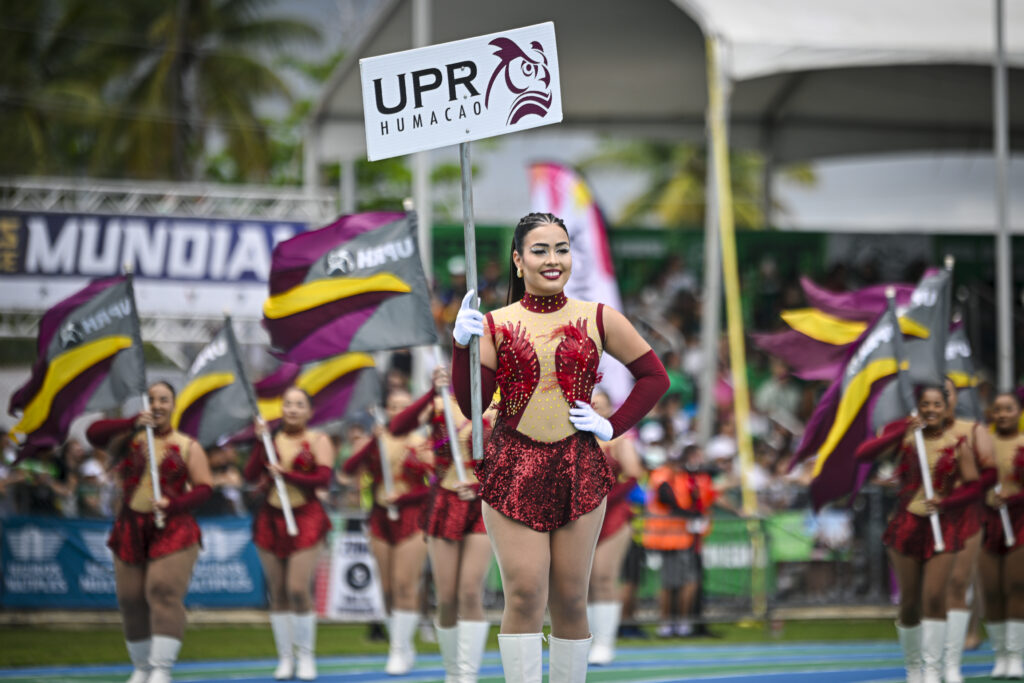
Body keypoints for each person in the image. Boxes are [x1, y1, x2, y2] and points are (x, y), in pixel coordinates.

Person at [452, 212, 669, 682]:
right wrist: (461, 347)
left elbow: (655, 377)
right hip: (512, 467)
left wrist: (612, 426)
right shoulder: (494, 323)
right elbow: (471, 408)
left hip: (579, 466)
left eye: (562, 249)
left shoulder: (597, 317)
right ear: (517, 260)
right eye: (540, 250)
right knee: (526, 593)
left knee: (571, 597)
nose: (553, 260)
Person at [86, 381, 213, 683]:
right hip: (131, 525)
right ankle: (141, 667)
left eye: (164, 400)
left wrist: (174, 503)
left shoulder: (187, 444)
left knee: (163, 591)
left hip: (173, 526)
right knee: (130, 598)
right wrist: (132, 422)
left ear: (173, 405)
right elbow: (94, 434)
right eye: (152, 399)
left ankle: (161, 667)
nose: (157, 405)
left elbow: (205, 488)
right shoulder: (128, 439)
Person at [860, 385, 980, 683]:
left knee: (935, 596)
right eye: (925, 404)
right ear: (918, 406)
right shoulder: (905, 436)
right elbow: (863, 454)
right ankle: (913, 668)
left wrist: (947, 501)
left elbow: (974, 485)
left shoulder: (958, 442)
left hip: (942, 525)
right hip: (906, 525)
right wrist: (898, 432)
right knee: (910, 601)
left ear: (946, 406)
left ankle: (932, 669)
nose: (931, 410)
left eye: (937, 404)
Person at [390, 366, 493, 682]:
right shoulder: (439, 403)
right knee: (446, 595)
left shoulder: (500, 406)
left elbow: (511, 459)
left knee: (469, 591)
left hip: (483, 504)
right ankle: (452, 671)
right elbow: (398, 427)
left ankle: (468, 673)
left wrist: (478, 487)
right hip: (444, 501)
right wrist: (431, 391)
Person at [244, 386, 334, 681]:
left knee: (297, 588)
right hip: (271, 517)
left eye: (299, 404)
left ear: (309, 411)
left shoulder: (318, 439)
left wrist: (287, 475)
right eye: (288, 404)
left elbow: (323, 477)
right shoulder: (271, 440)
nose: (292, 409)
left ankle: (306, 655)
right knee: (278, 591)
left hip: (306, 516)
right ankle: (285, 658)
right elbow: (250, 474)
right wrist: (260, 442)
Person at [339, 387, 431, 676]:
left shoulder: (426, 441)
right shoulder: (375, 440)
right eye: (394, 405)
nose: (399, 411)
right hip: (380, 518)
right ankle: (399, 642)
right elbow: (348, 469)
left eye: (405, 405)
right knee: (388, 589)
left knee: (405, 584)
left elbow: (436, 486)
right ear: (386, 409)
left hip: (412, 517)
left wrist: (403, 499)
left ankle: (400, 649)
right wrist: (371, 443)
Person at [940, 376, 996, 683]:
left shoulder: (973, 430)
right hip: (929, 519)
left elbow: (989, 473)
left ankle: (960, 647)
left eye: (946, 393)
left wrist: (961, 490)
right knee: (933, 588)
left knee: (964, 581)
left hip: (967, 515)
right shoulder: (917, 433)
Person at [587, 388, 645, 664]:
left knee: (603, 576)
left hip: (613, 513)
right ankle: (582, 638)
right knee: (581, 580)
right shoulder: (575, 436)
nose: (596, 407)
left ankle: (604, 642)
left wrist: (606, 497)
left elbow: (634, 473)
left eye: (601, 404)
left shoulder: (619, 437)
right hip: (580, 516)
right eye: (591, 404)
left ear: (610, 408)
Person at [643, 443, 717, 639]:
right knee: (673, 582)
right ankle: (669, 623)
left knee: (685, 581)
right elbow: (666, 498)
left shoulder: (681, 477)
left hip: (683, 537)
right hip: (669, 536)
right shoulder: (663, 474)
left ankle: (679, 623)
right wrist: (691, 515)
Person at [979, 392, 1024, 679]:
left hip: (1020, 521)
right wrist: (984, 497)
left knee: (1016, 586)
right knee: (992, 590)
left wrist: (1014, 499)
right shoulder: (984, 443)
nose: (1003, 414)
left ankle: (1017, 654)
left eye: (1009, 409)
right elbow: (970, 480)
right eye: (998, 409)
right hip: (988, 521)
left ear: (1019, 411)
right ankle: (1000, 654)